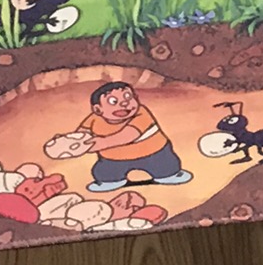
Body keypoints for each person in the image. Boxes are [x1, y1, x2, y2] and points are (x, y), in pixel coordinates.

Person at [47, 80, 192, 192]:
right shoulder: (94, 119)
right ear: (98, 109)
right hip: (113, 159)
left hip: (154, 152)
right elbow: (83, 133)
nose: (124, 104)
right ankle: (111, 180)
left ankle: (168, 174)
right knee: (104, 172)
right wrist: (72, 142)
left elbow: (128, 135)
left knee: (166, 166)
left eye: (128, 97)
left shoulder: (142, 114)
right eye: (113, 102)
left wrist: (102, 143)